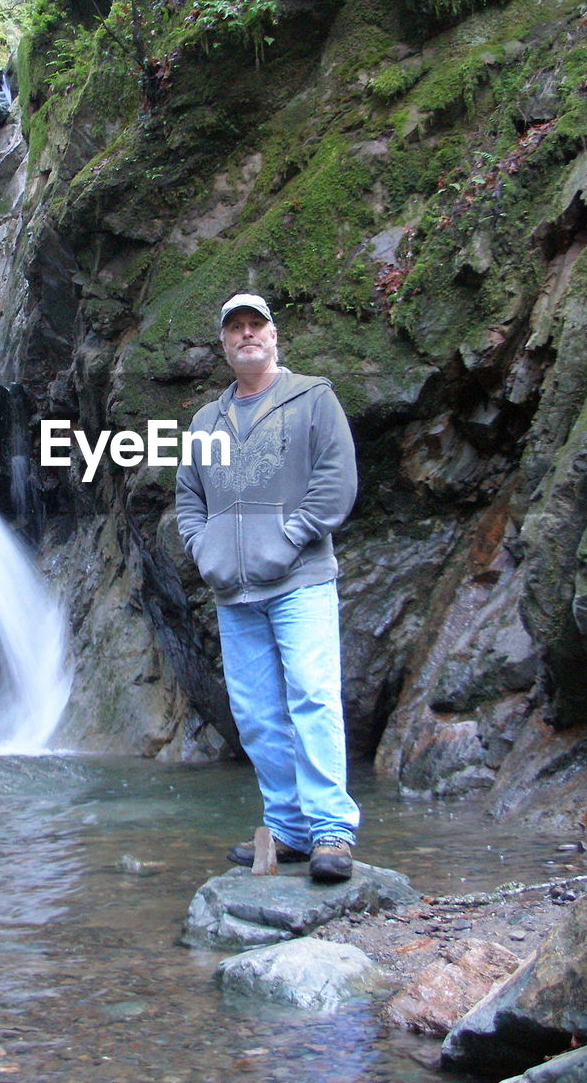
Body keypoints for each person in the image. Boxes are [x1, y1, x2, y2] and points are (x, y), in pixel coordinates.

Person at [175, 293, 360, 883]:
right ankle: (288, 828)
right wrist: (204, 550)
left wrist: (290, 538)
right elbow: (188, 498)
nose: (247, 335)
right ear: (224, 343)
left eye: (256, 325)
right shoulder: (206, 421)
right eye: (236, 328)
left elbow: (336, 481)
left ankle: (331, 827)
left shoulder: (314, 399)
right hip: (234, 592)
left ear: (274, 336)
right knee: (256, 714)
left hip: (300, 580)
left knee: (312, 696)